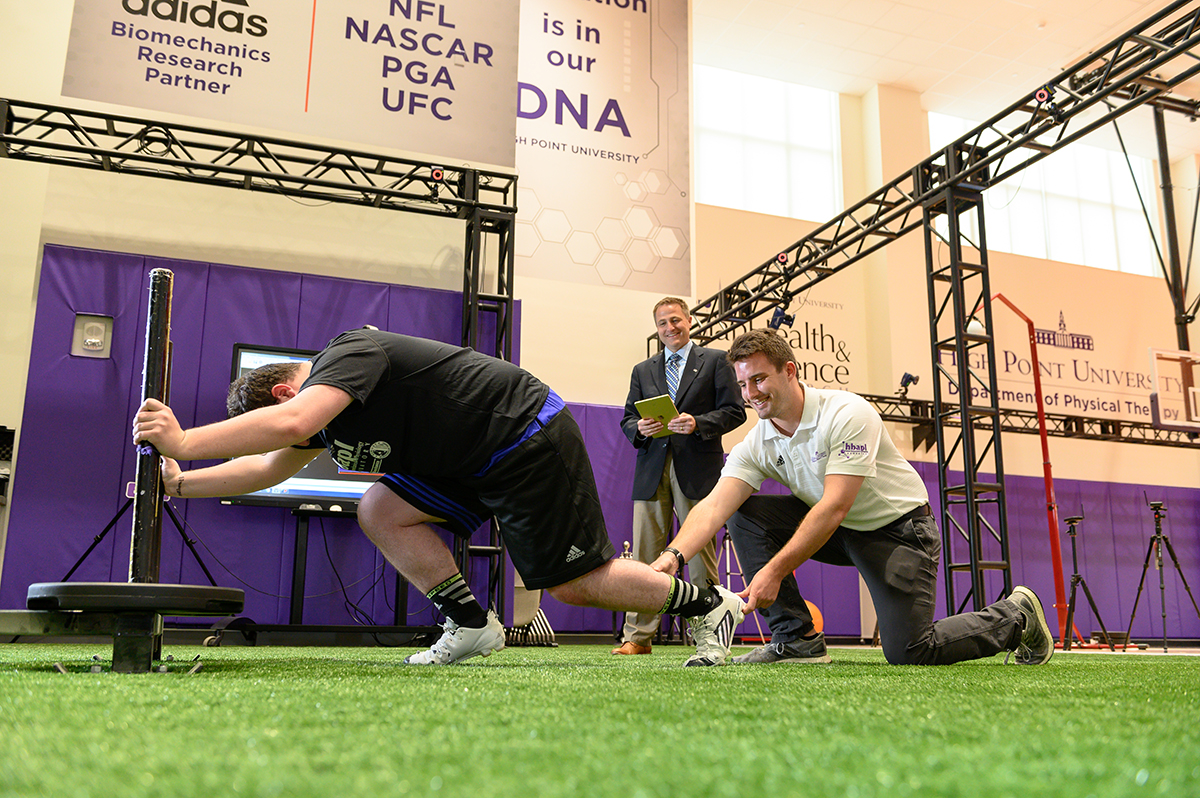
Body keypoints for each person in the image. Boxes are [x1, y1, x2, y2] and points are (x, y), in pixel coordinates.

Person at [132, 328, 745, 666]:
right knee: (380, 507)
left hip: (522, 432)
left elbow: (289, 428)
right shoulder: (315, 416)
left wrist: (185, 441)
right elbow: (265, 468)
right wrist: (182, 483)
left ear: (287, 388)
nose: (293, 418)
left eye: (285, 408)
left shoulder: (347, 357)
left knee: (573, 583)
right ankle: (472, 623)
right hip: (468, 461)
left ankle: (707, 605)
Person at [651, 329, 1053, 666]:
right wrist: (672, 557)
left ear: (789, 371)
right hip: (841, 530)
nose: (750, 393)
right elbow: (715, 506)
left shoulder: (846, 413)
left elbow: (834, 505)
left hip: (897, 532)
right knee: (744, 513)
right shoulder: (759, 439)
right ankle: (797, 641)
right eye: (742, 384)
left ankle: (1017, 616)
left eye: (758, 379)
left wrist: (772, 572)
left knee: (911, 651)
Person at [614, 297, 745, 655]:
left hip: (698, 468)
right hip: (651, 469)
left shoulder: (717, 361)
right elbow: (627, 418)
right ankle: (638, 637)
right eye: (662, 323)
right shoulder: (642, 370)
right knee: (644, 554)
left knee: (699, 552)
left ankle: (709, 635)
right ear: (656, 329)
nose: (669, 328)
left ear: (689, 320)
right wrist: (638, 428)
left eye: (675, 320)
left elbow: (735, 412)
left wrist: (698, 423)